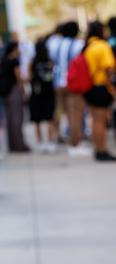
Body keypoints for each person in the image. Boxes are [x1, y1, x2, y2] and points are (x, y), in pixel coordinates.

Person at [48, 21, 89, 156]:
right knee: (75, 116)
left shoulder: (55, 43)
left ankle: (74, 142)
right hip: (72, 83)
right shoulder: (79, 44)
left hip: (58, 83)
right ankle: (75, 145)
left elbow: (52, 62)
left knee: (66, 114)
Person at [82, 21, 116, 161]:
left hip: (91, 87)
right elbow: (107, 68)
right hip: (101, 87)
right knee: (100, 121)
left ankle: (98, 149)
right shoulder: (102, 46)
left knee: (96, 120)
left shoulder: (88, 46)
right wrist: (112, 88)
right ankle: (101, 151)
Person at [0, 42, 30, 152]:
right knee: (17, 120)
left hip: (5, 94)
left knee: (10, 120)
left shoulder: (4, 61)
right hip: (13, 92)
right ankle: (19, 145)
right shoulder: (14, 62)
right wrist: (24, 92)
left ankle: (12, 146)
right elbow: (19, 79)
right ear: (14, 49)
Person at [29, 40, 56, 153]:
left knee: (38, 119)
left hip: (37, 93)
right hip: (49, 93)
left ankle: (40, 142)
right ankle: (50, 141)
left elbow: (29, 78)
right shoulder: (50, 62)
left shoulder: (33, 63)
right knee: (49, 118)